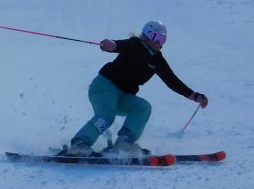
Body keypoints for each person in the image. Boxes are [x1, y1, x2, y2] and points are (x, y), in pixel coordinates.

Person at [64, 20, 209, 156]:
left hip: (123, 95)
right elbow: (120, 45)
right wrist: (112, 45)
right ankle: (80, 143)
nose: (159, 42)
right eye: (156, 37)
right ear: (146, 35)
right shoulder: (136, 45)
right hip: (104, 86)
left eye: (162, 39)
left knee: (143, 107)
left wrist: (194, 95)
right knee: (107, 115)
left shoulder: (157, 60)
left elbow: (172, 80)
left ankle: (124, 143)